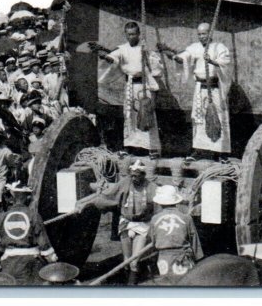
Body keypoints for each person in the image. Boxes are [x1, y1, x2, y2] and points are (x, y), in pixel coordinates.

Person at [77, 158, 156, 285]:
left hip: (142, 225)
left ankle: (131, 287)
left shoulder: (151, 187)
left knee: (134, 262)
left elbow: (160, 204)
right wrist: (88, 203)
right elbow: (107, 196)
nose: (134, 178)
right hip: (126, 223)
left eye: (137, 176)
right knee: (126, 260)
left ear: (143, 175)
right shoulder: (125, 183)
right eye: (132, 175)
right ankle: (124, 285)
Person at [165, 22, 232, 157]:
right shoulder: (194, 48)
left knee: (218, 116)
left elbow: (225, 64)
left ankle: (221, 152)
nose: (201, 36)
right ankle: (199, 149)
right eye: (199, 34)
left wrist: (212, 61)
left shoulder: (219, 48)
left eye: (204, 33)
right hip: (200, 88)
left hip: (215, 88)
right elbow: (184, 58)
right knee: (199, 117)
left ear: (210, 33)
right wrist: (174, 57)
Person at [95, 21, 162, 155]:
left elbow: (155, 68)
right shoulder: (122, 49)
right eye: (128, 34)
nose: (131, 37)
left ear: (138, 34)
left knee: (146, 114)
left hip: (144, 85)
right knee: (130, 116)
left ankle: (151, 147)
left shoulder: (144, 49)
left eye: (134, 34)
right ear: (125, 35)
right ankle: (131, 146)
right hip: (130, 86)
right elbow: (114, 58)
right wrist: (106, 57)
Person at [0, 182, 57, 283]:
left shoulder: (2, 216)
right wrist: (53, 259)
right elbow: (43, 244)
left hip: (9, 263)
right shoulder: (34, 216)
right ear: (27, 197)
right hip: (31, 263)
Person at [149, 184, 204, 281]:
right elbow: (194, 241)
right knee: (185, 284)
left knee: (167, 284)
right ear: (176, 202)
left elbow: (152, 241)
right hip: (182, 257)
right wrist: (199, 259)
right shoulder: (186, 218)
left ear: (160, 203)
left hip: (163, 258)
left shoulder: (155, 219)